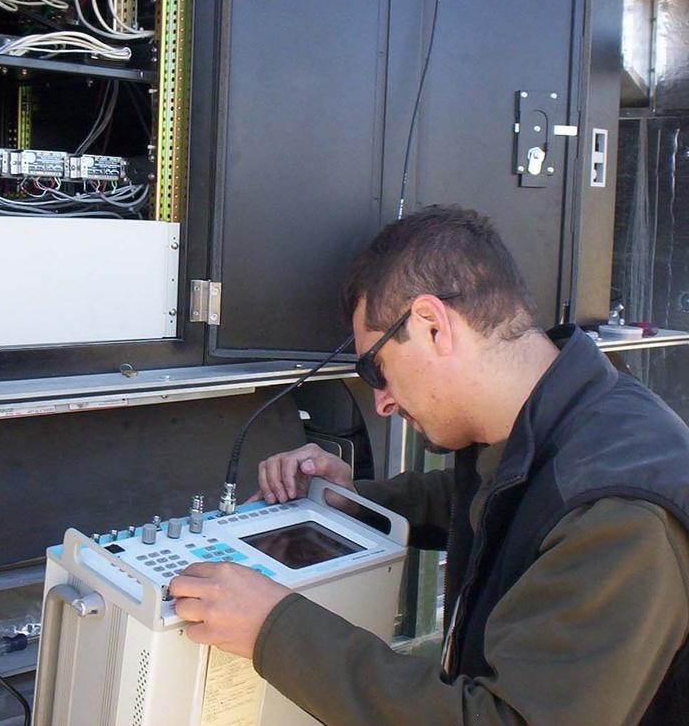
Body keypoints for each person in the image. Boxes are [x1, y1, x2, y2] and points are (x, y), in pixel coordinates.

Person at [168, 205, 689, 725]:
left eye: (377, 370)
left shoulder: (619, 515)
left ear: (433, 325)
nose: (383, 403)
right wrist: (351, 502)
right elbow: (496, 501)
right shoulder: (573, 419)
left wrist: (271, 629)